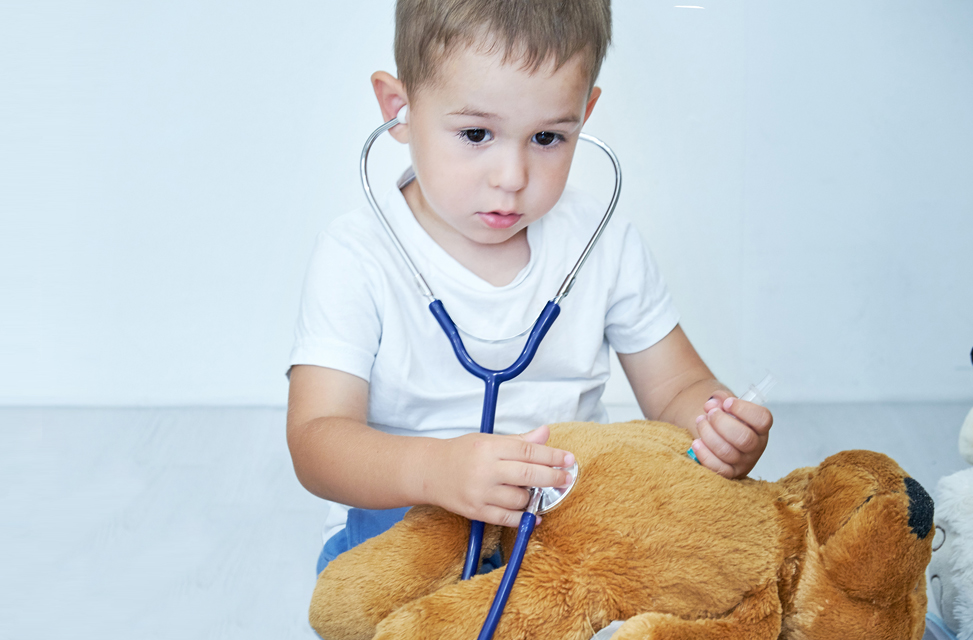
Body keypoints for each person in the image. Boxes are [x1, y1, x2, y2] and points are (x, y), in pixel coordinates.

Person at [289, 0, 775, 575]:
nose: (512, 177)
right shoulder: (357, 254)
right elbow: (317, 439)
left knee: (712, 564)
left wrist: (718, 429)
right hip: (404, 533)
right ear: (399, 110)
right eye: (476, 133)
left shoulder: (601, 242)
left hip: (561, 527)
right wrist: (436, 471)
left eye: (547, 138)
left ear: (584, 112)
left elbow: (676, 390)